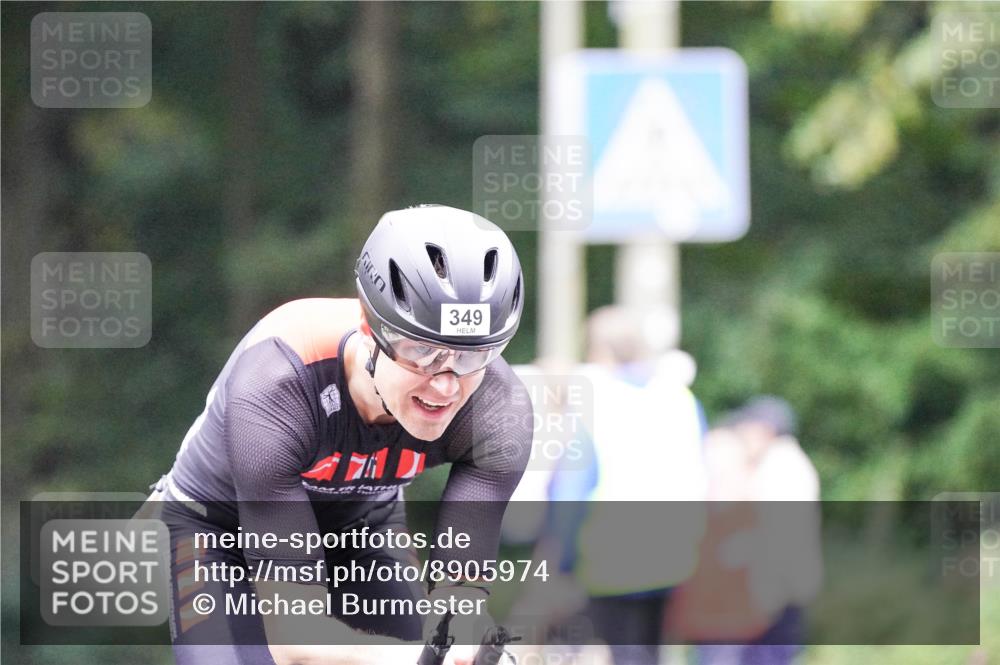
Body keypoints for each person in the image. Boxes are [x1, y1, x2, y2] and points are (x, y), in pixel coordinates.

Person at [152, 205, 532, 665]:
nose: (446, 384)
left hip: (359, 523)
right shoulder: (277, 384)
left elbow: (458, 596)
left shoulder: (497, 409)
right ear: (370, 331)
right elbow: (296, 639)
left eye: (474, 356)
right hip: (218, 526)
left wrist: (464, 644)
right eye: (422, 352)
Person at [533, 305, 707, 665]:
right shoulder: (681, 397)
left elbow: (572, 491)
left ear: (599, 350)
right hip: (675, 553)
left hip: (610, 557)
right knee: (652, 651)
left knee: (621, 652)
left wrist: (560, 560)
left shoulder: (594, 401)